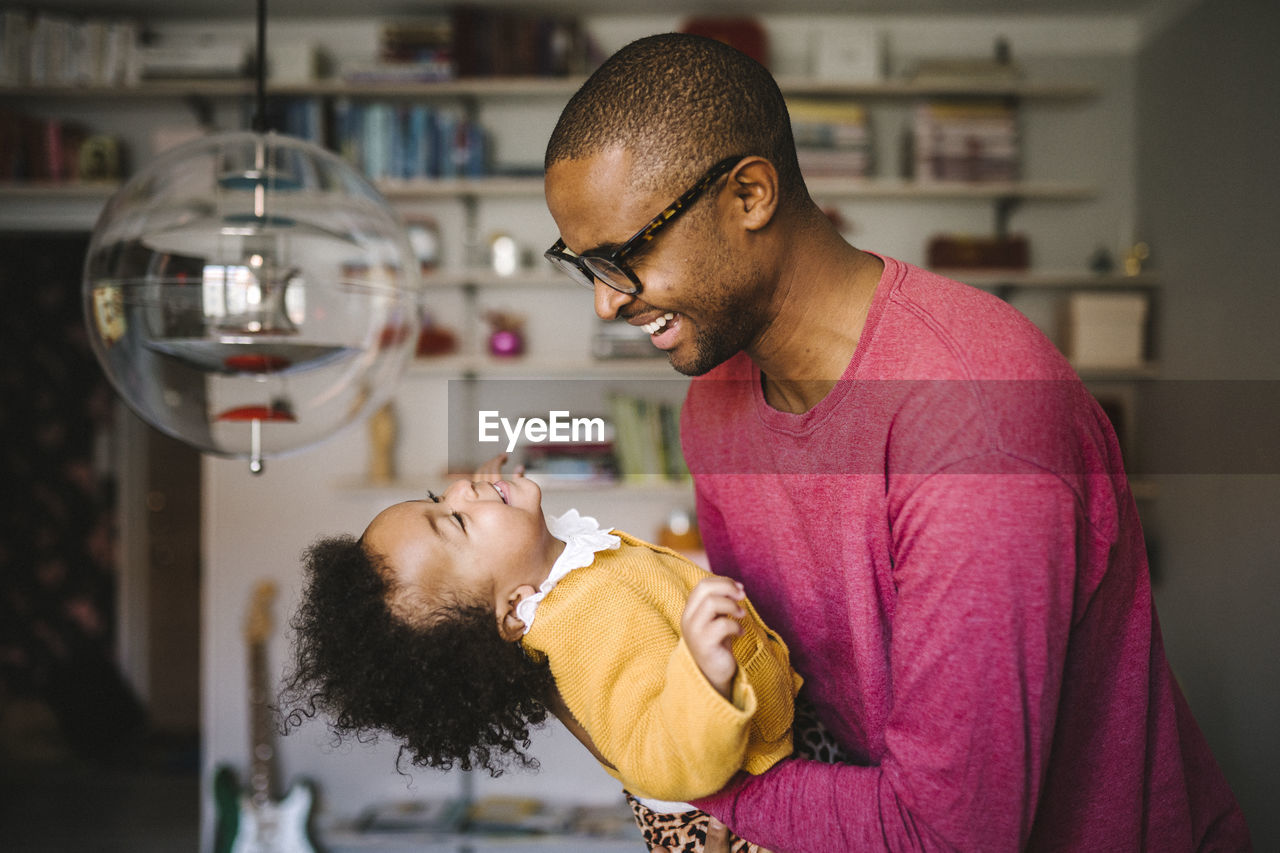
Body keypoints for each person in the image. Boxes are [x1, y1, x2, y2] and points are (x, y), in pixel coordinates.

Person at [540, 32, 1251, 852]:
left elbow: (949, 835)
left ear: (749, 195)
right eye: (580, 263)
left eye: (623, 255)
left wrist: (672, 768)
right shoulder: (716, 406)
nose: (604, 303)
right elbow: (781, 683)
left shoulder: (977, 427)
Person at [280, 455, 829, 852]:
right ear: (516, 610)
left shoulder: (570, 577)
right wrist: (703, 676)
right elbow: (660, 761)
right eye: (458, 520)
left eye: (437, 499)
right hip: (739, 831)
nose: (459, 489)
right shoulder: (581, 628)